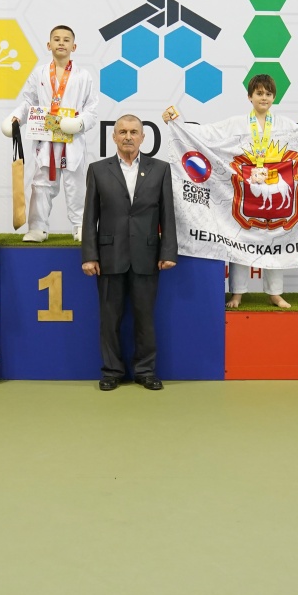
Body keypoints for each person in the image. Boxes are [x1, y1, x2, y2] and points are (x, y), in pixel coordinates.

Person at [162, 73, 298, 309]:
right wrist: (177, 123)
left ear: (274, 97)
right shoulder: (236, 124)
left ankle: (275, 293)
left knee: (275, 240)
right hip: (245, 190)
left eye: (268, 94)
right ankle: (237, 293)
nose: (264, 97)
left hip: (277, 191)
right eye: (259, 93)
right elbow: (206, 133)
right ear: (249, 96)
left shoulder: (284, 124)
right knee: (240, 240)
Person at [81, 115, 177, 391]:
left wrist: (168, 250)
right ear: (113, 137)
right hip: (109, 256)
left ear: (143, 137)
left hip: (147, 256)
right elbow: (90, 216)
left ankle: (145, 371)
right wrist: (89, 255)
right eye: (122, 131)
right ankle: (112, 371)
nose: (128, 136)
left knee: (145, 318)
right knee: (109, 319)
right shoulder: (98, 170)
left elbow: (167, 214)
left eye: (134, 132)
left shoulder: (160, 169)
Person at [3, 25, 99, 243]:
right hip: (45, 138)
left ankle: (81, 226)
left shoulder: (83, 76)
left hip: (72, 139)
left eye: (66, 40)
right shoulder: (39, 73)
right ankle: (37, 227)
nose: (61, 43)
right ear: (49, 45)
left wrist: (79, 123)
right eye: (56, 39)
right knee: (41, 184)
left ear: (74, 46)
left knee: (76, 185)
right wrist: (16, 118)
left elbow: (92, 109)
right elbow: (29, 102)